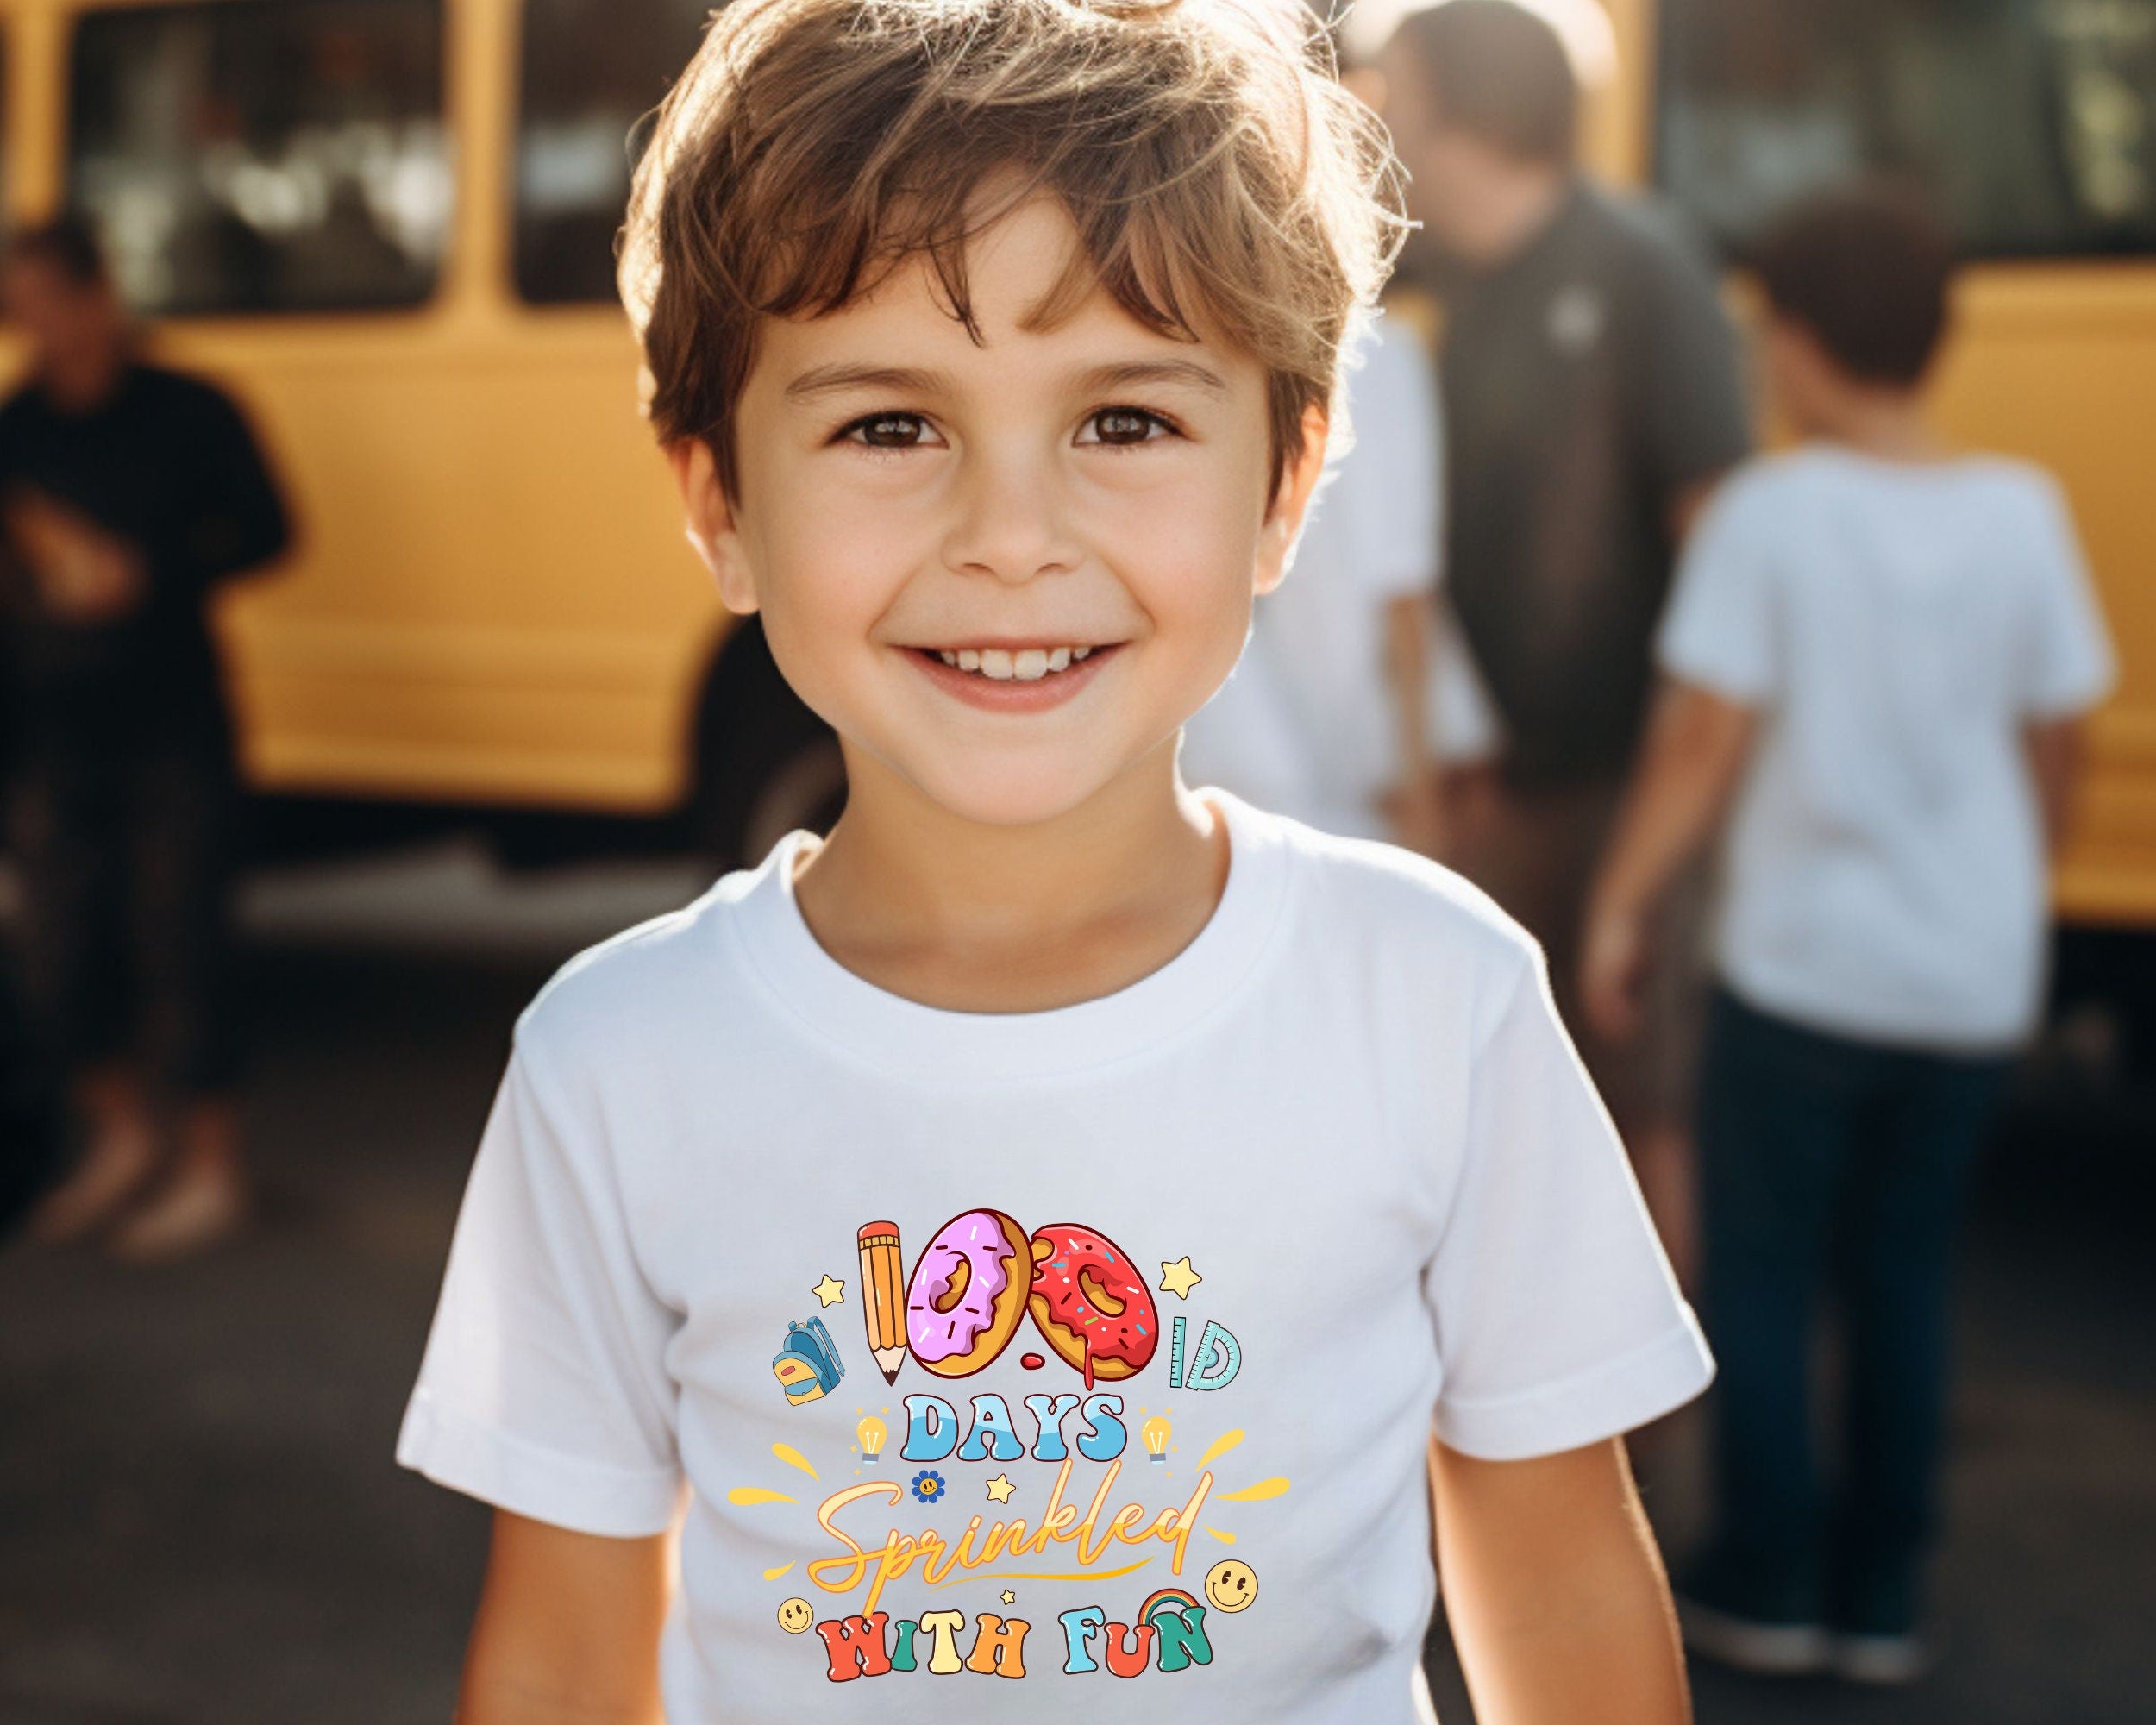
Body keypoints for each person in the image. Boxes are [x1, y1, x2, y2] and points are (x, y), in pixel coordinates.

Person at [393, 1, 1714, 1719]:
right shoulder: (611, 1062)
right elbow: (568, 1651)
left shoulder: (1433, 997)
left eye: (1121, 423)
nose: (1008, 540)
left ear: (1283, 485)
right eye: (887, 426)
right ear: (716, 500)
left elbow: (1556, 1589)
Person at [1580, 185, 2114, 1684]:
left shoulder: (1774, 515)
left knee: (1760, 1272)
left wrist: (1620, 904)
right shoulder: (2020, 510)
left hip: (1805, 973)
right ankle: (1880, 1597)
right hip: (1966, 977)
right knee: (1904, 1276)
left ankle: (1765, 1577)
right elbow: (2059, 733)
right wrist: (2013, 880)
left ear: (1802, 345)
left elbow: (1698, 740)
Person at [1379, 0, 1752, 1255]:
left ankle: (1654, 1446)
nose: (1370, 114)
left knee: (1640, 1122)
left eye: (1392, 86)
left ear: (1461, 102)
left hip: (1628, 789)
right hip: (1495, 796)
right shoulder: (1453, 290)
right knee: (1490, 1120)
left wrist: (1667, 824)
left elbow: (1724, 546)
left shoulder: (1643, 265)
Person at [0, 216, 291, 1261]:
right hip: (52, 725)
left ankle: (212, 1164)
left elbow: (270, 529)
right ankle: (124, 1137)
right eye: (18, 311)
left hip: (172, 716)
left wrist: (151, 568)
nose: (37, 329)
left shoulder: (190, 408)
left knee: (185, 942)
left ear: (95, 295)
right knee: (61, 948)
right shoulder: (19, 424)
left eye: (46, 305)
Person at [1180, 308, 1448, 849]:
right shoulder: (1380, 353)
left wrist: (1421, 795)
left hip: (1323, 779)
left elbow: (1403, 591)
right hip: (1293, 779)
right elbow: (1404, 591)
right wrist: (1424, 803)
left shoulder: (1375, 356)